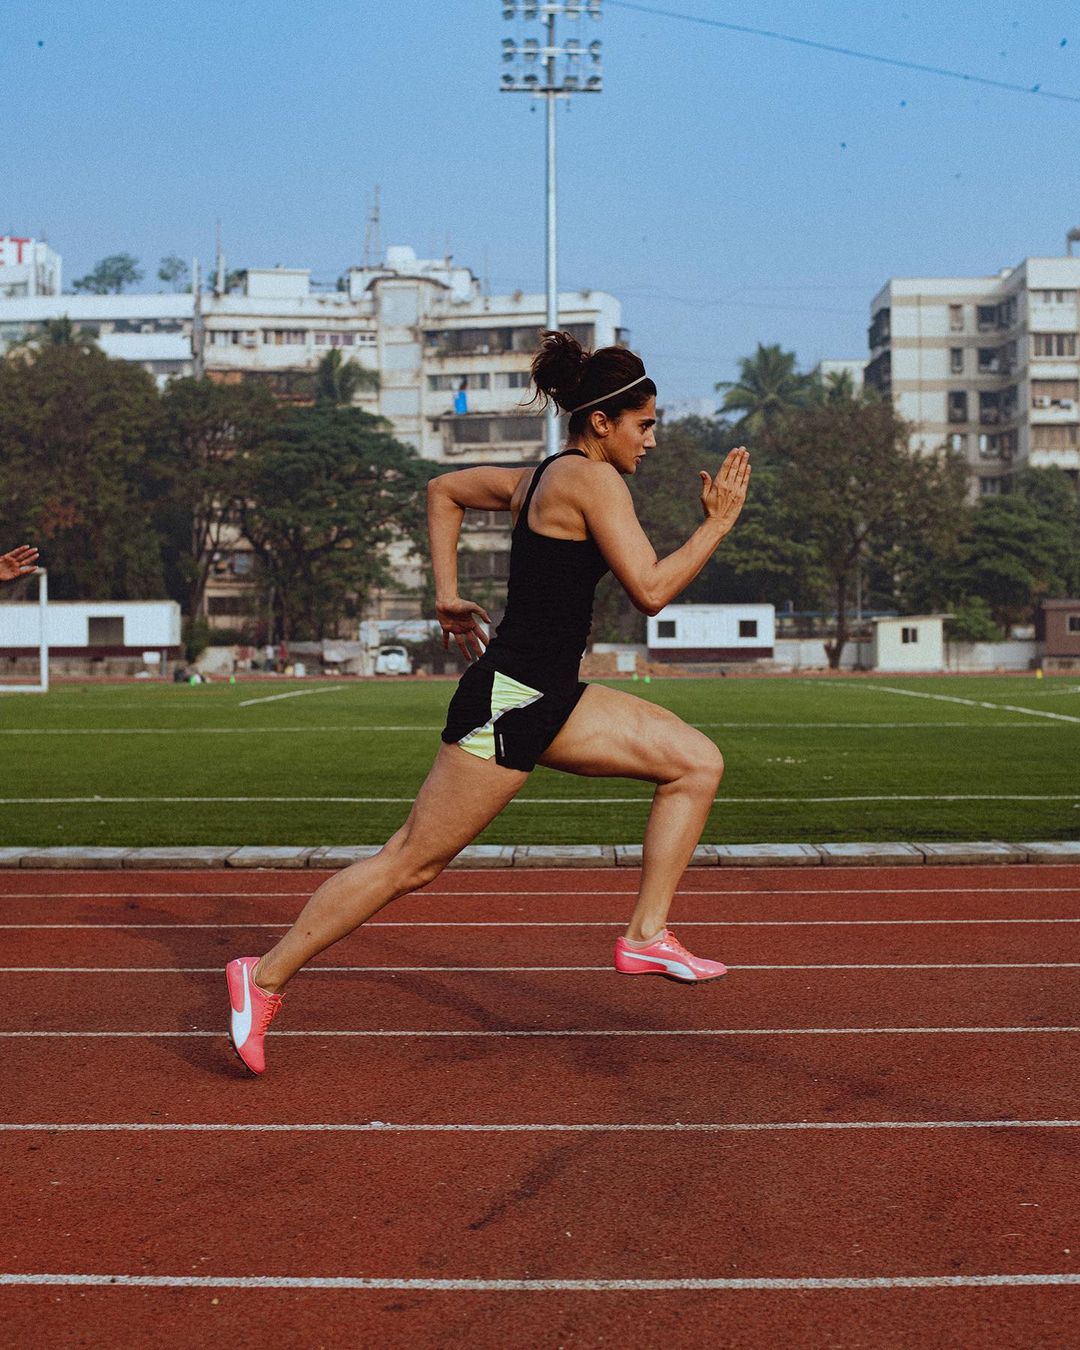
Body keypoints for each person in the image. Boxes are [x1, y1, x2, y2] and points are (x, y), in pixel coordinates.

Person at [227, 332, 751, 1074]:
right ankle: (265, 975)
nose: (654, 440)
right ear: (601, 422)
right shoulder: (593, 482)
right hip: (510, 699)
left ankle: (645, 935)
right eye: (646, 424)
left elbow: (443, 491)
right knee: (410, 862)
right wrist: (718, 524)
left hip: (550, 694)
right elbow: (653, 589)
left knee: (696, 763)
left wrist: (447, 594)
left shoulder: (536, 477)